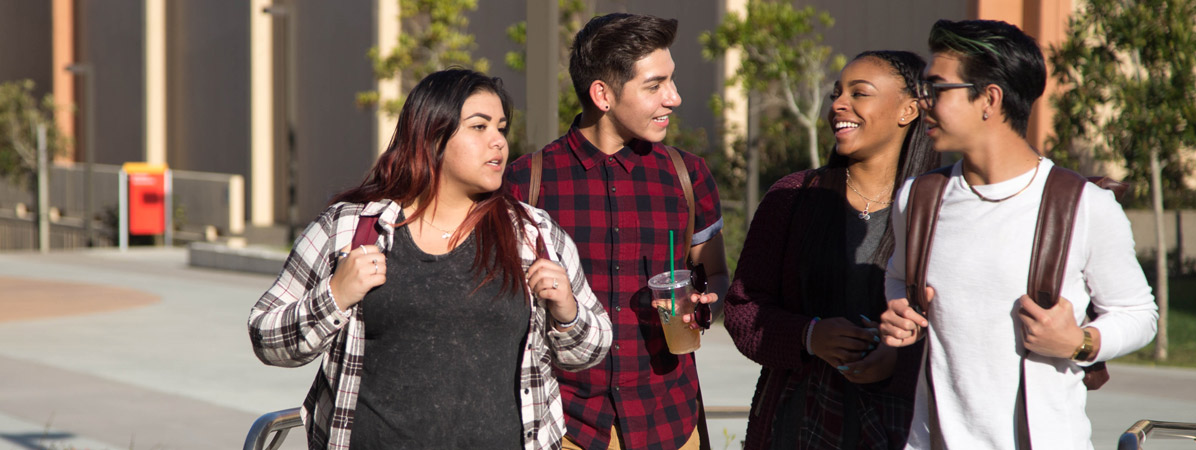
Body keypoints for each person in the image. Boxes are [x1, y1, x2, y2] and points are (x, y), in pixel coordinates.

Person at [249, 69, 613, 450]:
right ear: (433, 135)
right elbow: (265, 336)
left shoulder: (533, 233)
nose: (499, 143)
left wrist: (567, 311)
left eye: (501, 128)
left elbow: (591, 350)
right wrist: (335, 297)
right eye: (479, 127)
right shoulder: (350, 228)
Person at [879, 20, 1158, 449]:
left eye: (936, 89)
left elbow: (1139, 314)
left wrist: (1080, 341)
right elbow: (898, 275)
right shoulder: (918, 198)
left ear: (989, 98)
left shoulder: (1081, 205)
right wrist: (900, 306)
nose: (923, 103)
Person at [505, 13, 728, 450]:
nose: (675, 98)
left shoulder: (688, 175)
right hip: (563, 424)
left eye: (673, 81)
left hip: (670, 422)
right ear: (602, 94)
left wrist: (703, 307)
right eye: (655, 85)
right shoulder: (524, 183)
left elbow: (716, 277)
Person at [723, 50, 940, 450]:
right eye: (837, 94)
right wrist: (810, 336)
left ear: (909, 109)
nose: (839, 104)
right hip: (797, 426)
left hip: (907, 427)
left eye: (860, 94)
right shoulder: (792, 196)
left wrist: (898, 361)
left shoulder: (944, 208)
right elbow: (741, 308)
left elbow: (969, 334)